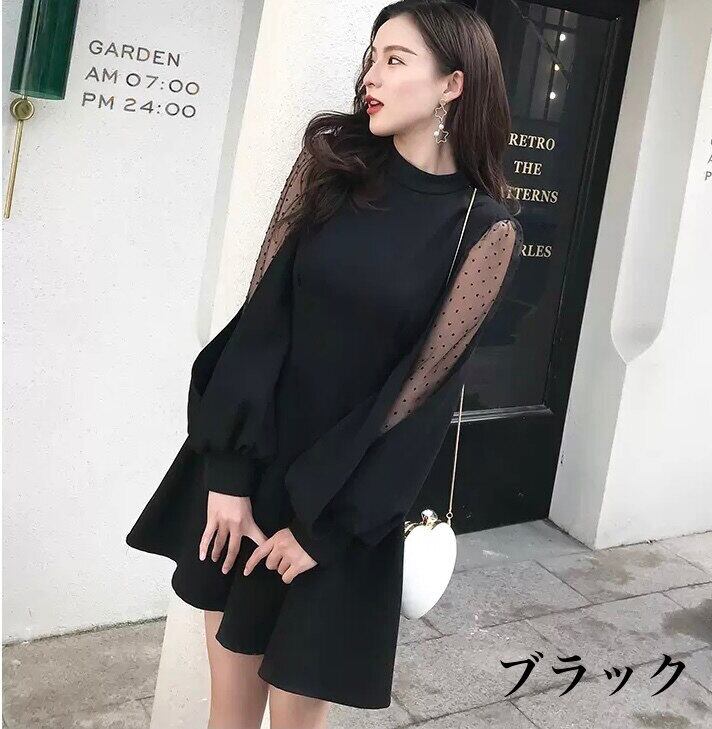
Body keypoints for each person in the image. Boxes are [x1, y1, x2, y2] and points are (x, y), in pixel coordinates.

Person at [126, 1, 523, 727]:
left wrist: (325, 530)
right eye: (371, 58)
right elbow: (260, 323)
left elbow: (419, 401)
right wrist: (226, 475)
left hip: (338, 510)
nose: (371, 75)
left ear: (452, 84)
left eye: (395, 60)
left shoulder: (483, 229)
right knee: (228, 714)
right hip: (251, 483)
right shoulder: (333, 165)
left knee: (297, 720)